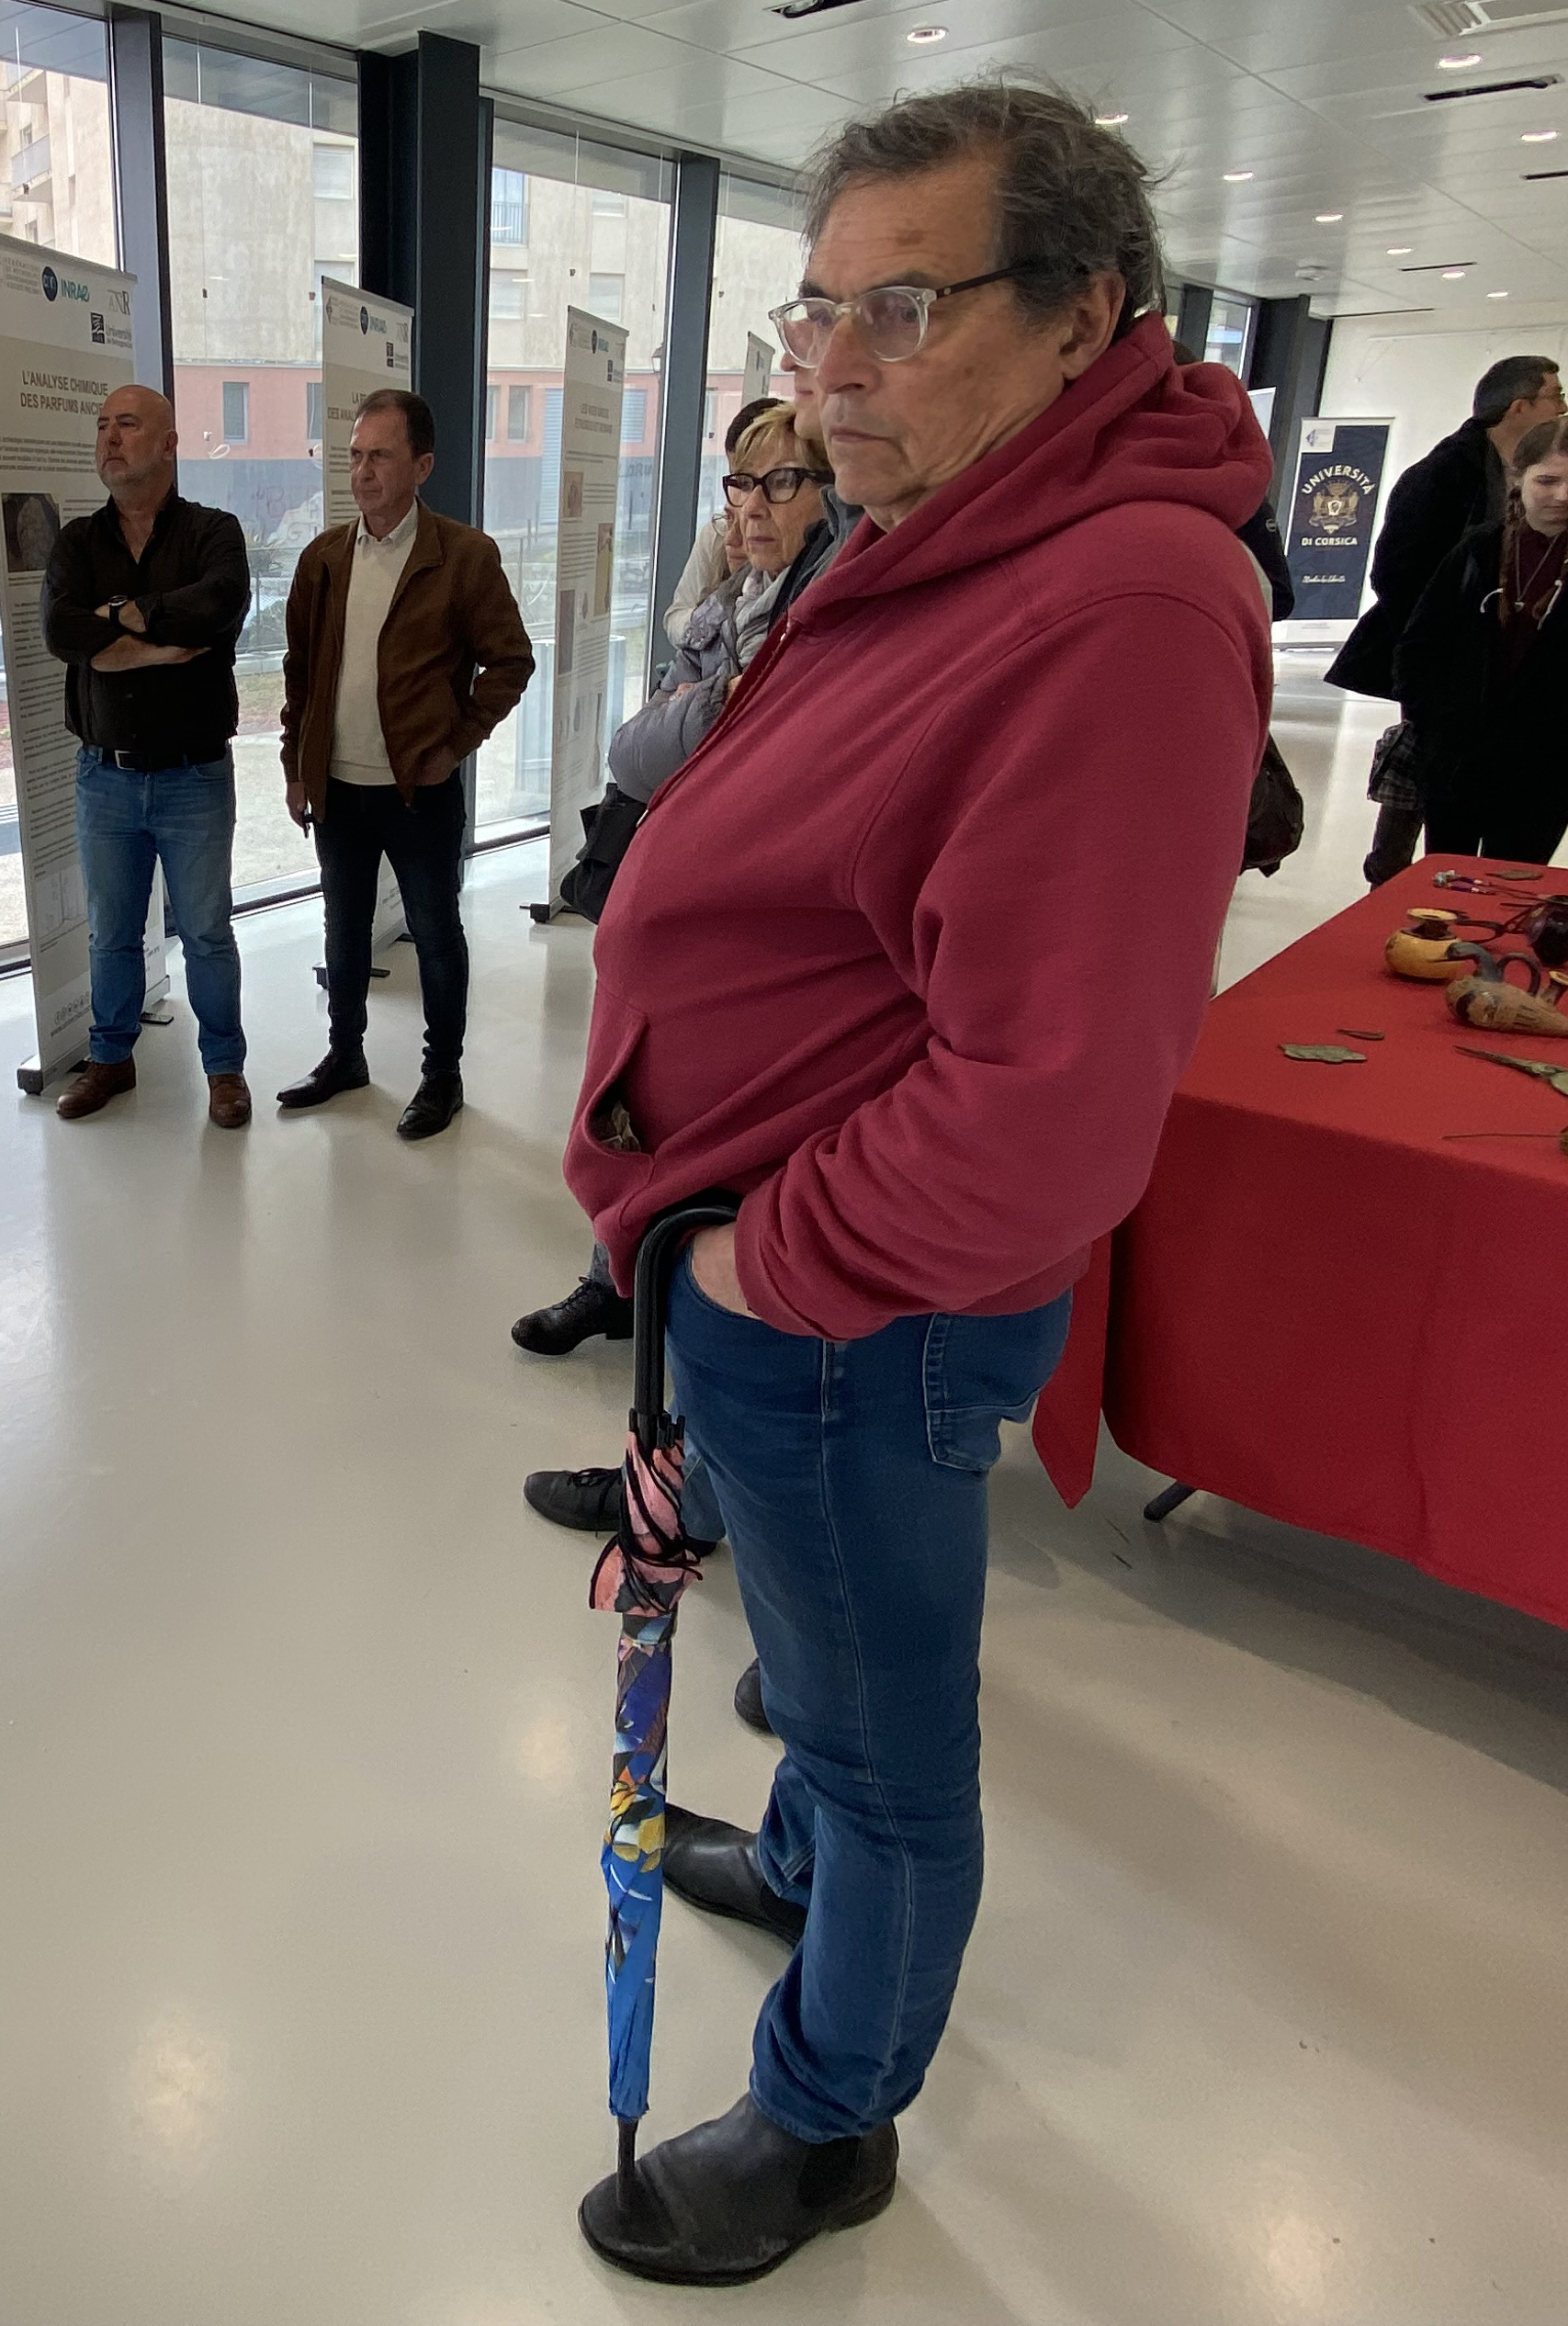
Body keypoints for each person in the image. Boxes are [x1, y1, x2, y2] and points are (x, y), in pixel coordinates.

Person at [560, 83, 1273, 2285]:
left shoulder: (1124, 597)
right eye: (814, 310)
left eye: (903, 307)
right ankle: (795, 1869)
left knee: (884, 1743)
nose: (830, 368)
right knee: (824, 1668)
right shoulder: (952, 524)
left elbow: (1054, 1101)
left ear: (1082, 315)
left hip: (859, 1310)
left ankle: (826, 2111)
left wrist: (767, 1265)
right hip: (782, 1285)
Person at [513, 403, 843, 1357]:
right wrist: (718, 705)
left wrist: (711, 713)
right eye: (741, 483)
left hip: (767, 916)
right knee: (641, 1098)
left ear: (834, 497)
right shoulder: (731, 605)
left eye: (783, 482)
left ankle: (698, 1327)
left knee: (730, 1130)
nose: (752, 505)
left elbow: (782, 765)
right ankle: (615, 1277)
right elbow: (632, 751)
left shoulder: (829, 613)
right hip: (684, 896)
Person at [274, 386, 536, 1141]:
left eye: (380, 457)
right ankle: (345, 1056)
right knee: (344, 929)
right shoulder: (324, 559)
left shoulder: (464, 557)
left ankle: (441, 1075)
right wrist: (297, 765)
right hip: (339, 787)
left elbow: (510, 662)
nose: (362, 472)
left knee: (434, 931)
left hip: (420, 790)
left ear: (421, 465)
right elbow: (301, 674)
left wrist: (455, 743)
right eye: (355, 456)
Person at [37, 386, 254, 1125]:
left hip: (195, 774)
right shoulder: (77, 542)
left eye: (126, 425)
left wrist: (123, 619)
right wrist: (161, 644)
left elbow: (218, 606)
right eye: (102, 425)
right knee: (111, 933)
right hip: (105, 777)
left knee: (206, 932)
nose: (109, 438)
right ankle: (111, 1059)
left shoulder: (214, 532)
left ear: (168, 444)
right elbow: (63, 632)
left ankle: (224, 1069)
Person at [1325, 354, 1567, 882]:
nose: (1564, 407)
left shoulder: (1527, 474)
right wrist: (1436, 642)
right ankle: (1392, 876)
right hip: (1442, 656)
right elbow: (1396, 571)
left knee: (1462, 770)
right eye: (1556, 395)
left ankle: (1442, 877)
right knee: (1423, 763)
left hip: (1499, 658)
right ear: (1520, 406)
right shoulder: (1443, 473)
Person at [1390, 414, 1568, 864]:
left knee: (1515, 877)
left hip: (1547, 763)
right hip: (1457, 755)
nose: (1564, 495)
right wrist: (1434, 723)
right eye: (1548, 481)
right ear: (1517, 476)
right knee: (1446, 876)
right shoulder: (1480, 546)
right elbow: (1421, 641)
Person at [660, 395, 788, 646]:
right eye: (741, 481)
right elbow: (676, 616)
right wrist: (712, 623)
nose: (750, 501)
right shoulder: (718, 531)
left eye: (777, 481)